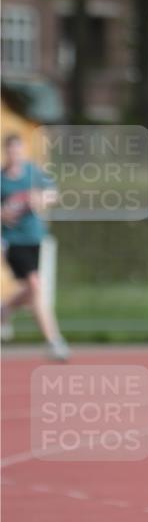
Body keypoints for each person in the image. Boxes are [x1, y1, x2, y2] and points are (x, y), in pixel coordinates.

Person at [0, 133, 70, 361]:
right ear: (6, 152)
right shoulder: (2, 179)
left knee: (33, 290)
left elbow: (53, 193)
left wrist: (41, 199)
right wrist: (3, 214)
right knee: (35, 285)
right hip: (13, 240)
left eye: (18, 150)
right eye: (11, 150)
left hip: (35, 238)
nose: (15, 154)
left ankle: (4, 309)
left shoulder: (33, 172)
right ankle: (53, 340)